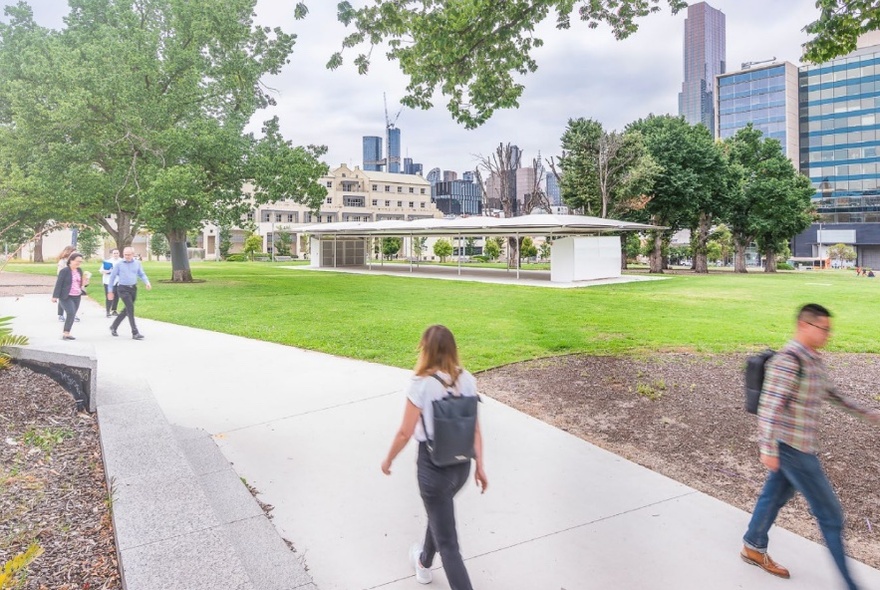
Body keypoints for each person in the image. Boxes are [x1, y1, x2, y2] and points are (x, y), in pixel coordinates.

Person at [741, 304, 880, 589]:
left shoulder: (813, 359)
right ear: (805, 326)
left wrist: (868, 414)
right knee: (831, 515)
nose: (828, 334)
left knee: (773, 497)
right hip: (792, 449)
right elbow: (769, 406)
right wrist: (766, 448)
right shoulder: (790, 360)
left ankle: (753, 545)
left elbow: (833, 395)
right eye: (824, 329)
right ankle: (851, 585)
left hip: (800, 445)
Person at [381, 325, 488, 590]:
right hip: (461, 465)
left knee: (450, 546)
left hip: (433, 469)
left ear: (425, 350)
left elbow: (405, 432)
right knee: (440, 513)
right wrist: (480, 466)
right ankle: (424, 561)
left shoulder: (421, 384)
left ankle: (429, 564)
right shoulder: (468, 379)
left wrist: (388, 460)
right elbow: (475, 427)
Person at [107, 247, 152, 340]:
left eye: (129, 254)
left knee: (126, 310)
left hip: (133, 288)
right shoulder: (119, 264)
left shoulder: (137, 263)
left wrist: (147, 282)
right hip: (122, 289)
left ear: (133, 254)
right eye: (125, 255)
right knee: (130, 309)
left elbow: (141, 274)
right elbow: (112, 277)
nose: (127, 256)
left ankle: (114, 326)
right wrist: (110, 291)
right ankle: (135, 332)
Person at [52, 252, 89, 341]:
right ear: (71, 260)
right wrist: (55, 296)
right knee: (71, 312)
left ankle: (67, 332)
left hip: (77, 295)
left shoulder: (79, 270)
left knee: (72, 314)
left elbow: (80, 283)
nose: (78, 263)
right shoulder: (64, 271)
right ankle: (66, 333)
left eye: (80, 262)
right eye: (77, 261)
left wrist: (86, 283)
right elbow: (59, 284)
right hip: (66, 296)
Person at [55, 245, 76, 322]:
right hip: (64, 283)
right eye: (73, 252)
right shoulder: (62, 261)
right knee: (63, 299)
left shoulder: (74, 261)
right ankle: (60, 314)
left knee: (73, 299)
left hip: (73, 283)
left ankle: (73, 314)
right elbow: (59, 273)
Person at [101, 248, 122, 317]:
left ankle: (114, 310)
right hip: (108, 281)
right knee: (109, 296)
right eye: (114, 253)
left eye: (117, 253)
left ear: (119, 254)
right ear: (112, 254)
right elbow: (102, 271)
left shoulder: (122, 261)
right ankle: (108, 311)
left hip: (118, 282)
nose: (116, 254)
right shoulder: (107, 262)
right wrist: (108, 271)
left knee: (116, 296)